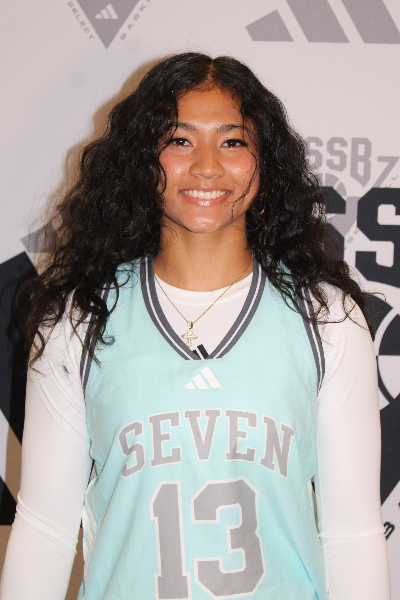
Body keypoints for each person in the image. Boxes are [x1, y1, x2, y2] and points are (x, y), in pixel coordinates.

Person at [0, 52, 391, 600]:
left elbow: (351, 535)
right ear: (141, 159)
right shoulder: (78, 319)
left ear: (265, 161)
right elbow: (45, 527)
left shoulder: (325, 318)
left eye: (233, 141)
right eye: (179, 140)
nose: (207, 166)